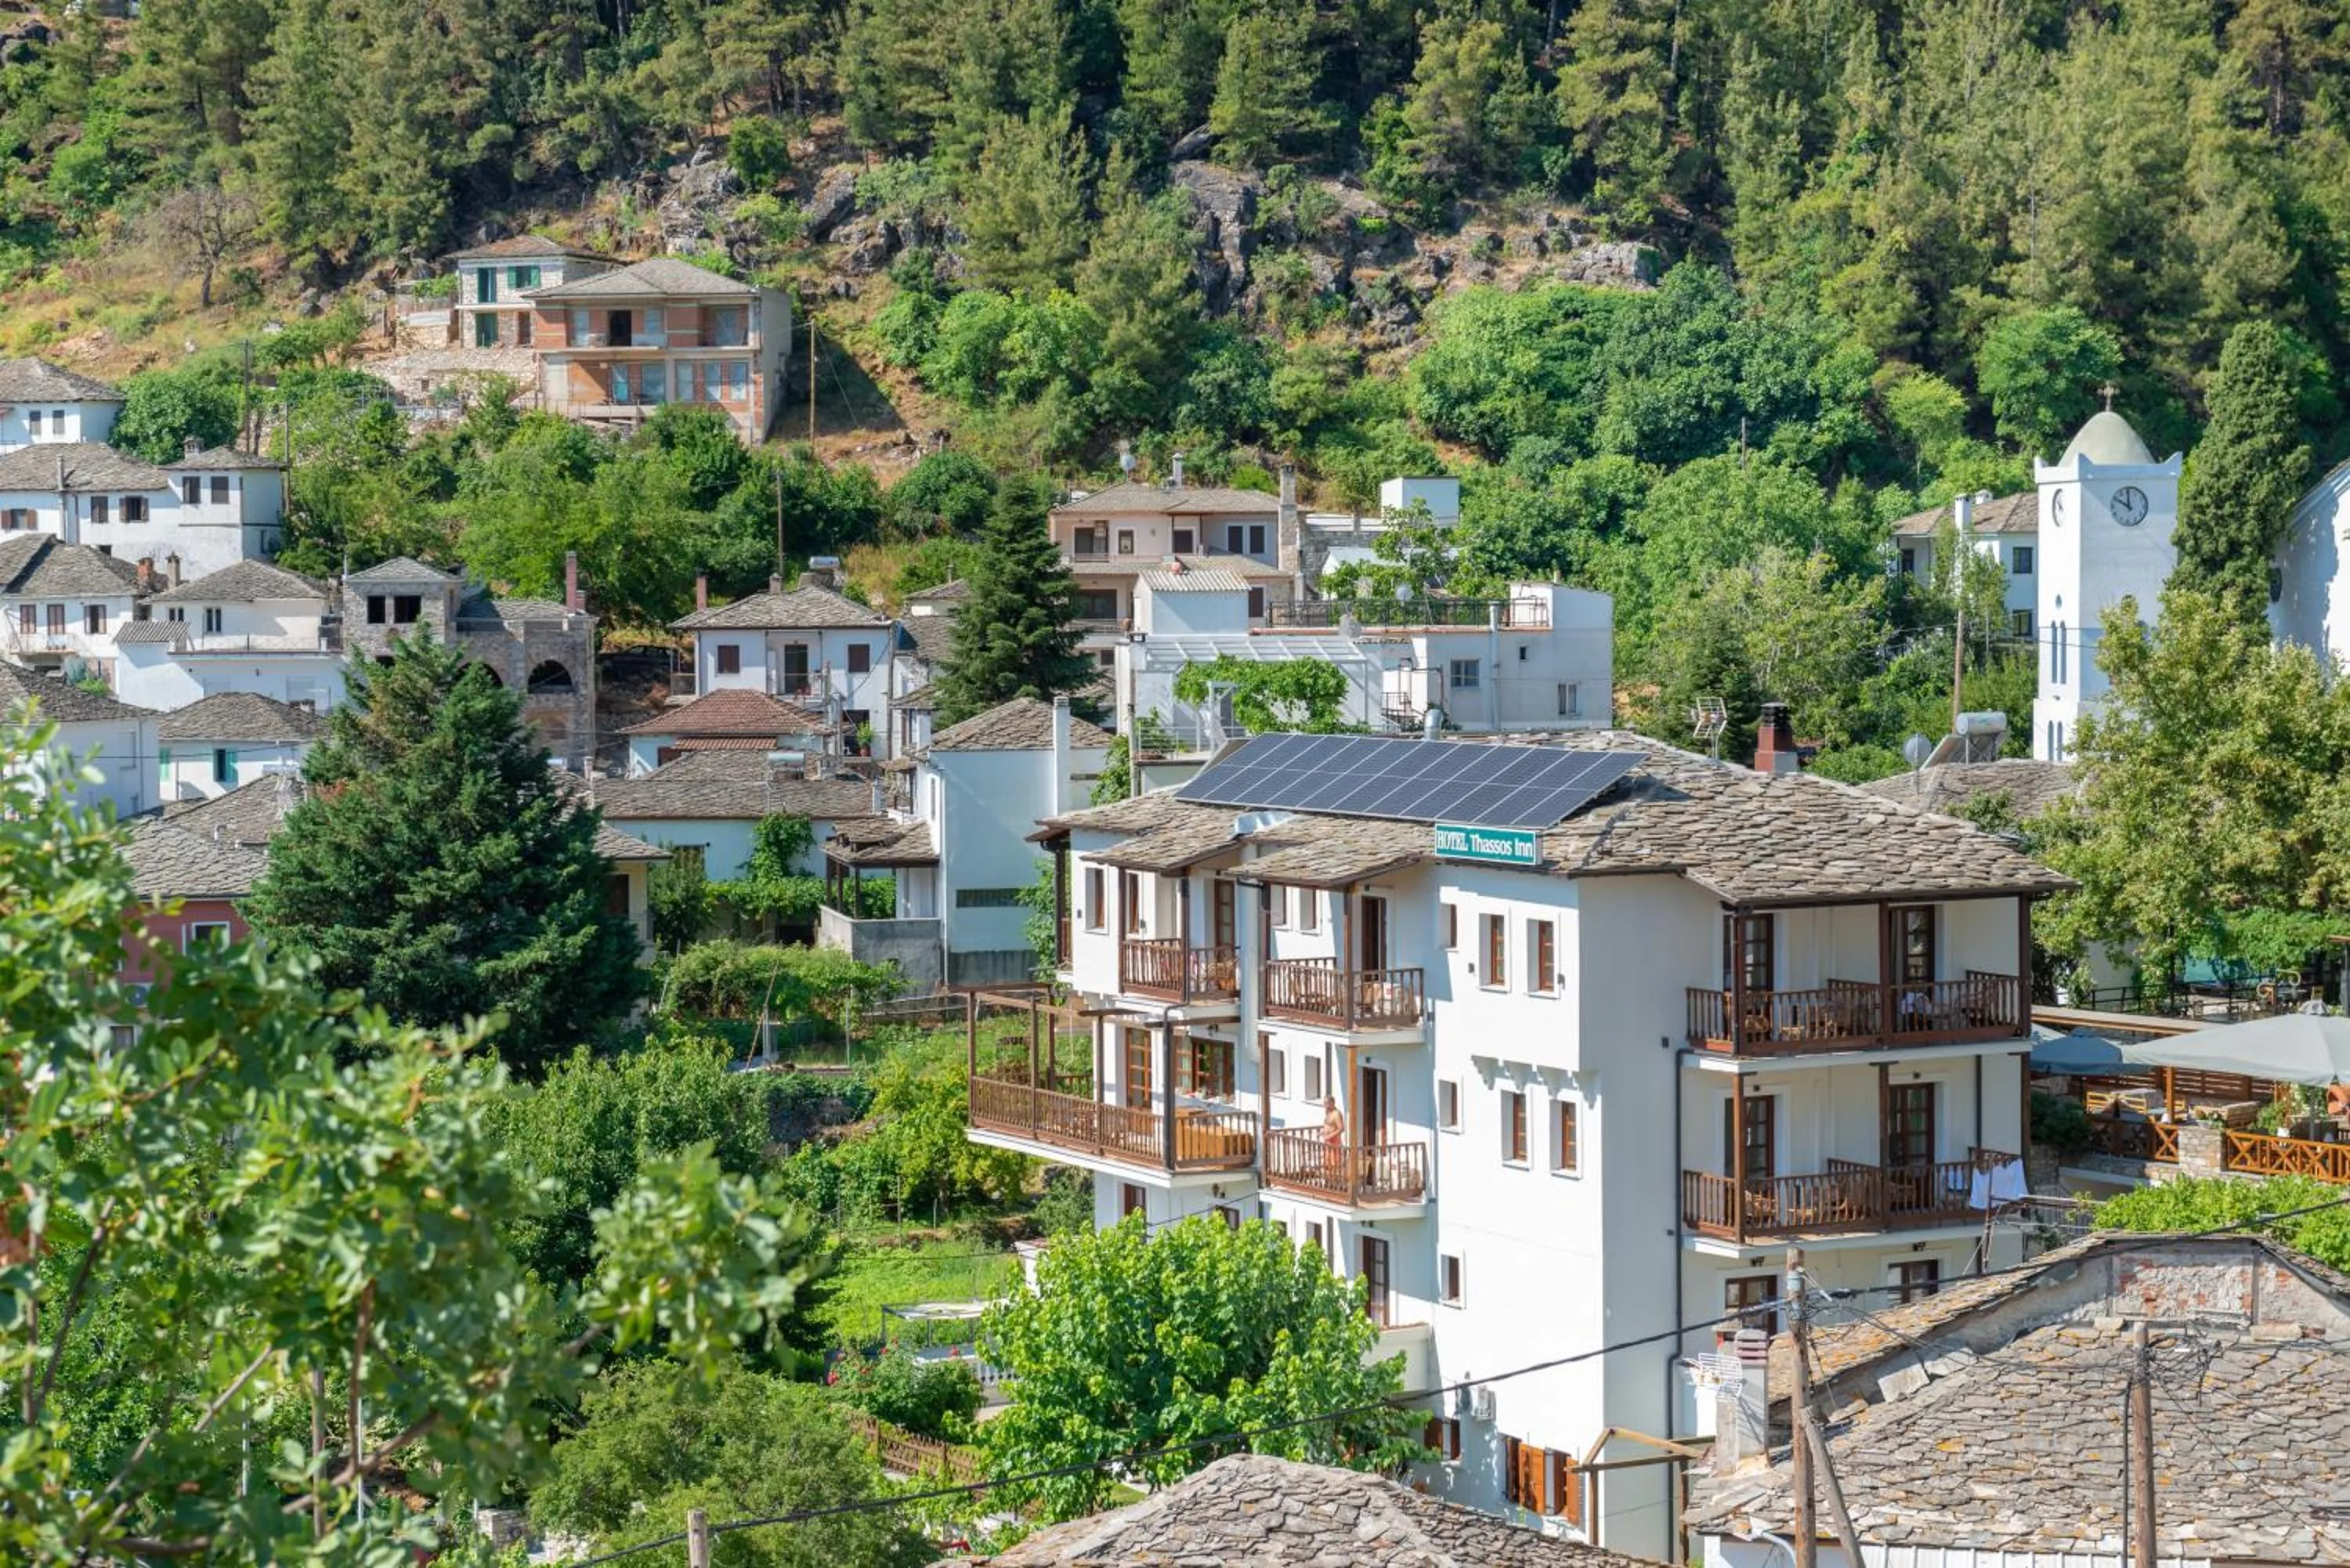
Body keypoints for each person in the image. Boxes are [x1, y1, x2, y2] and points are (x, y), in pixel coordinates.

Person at [1321, 1095, 1346, 1178]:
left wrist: (1330, 1136)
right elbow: (1328, 1125)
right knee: (1327, 1162)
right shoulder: (1328, 1112)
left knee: (1334, 1162)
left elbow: (1341, 1128)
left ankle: (1335, 1181)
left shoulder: (1337, 1114)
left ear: (1331, 1103)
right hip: (1328, 1142)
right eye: (1324, 1103)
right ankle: (1329, 1181)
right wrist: (1323, 1132)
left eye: (1326, 1103)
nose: (1324, 1105)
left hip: (1334, 1142)